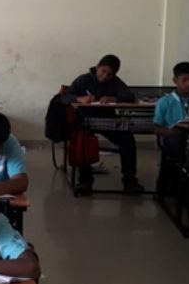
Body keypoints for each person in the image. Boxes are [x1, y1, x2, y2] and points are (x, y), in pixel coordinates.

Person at [61, 54, 142, 195]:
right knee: (82, 140)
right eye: (103, 71)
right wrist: (80, 98)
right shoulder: (84, 79)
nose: (105, 76)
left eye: (109, 74)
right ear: (97, 67)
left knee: (127, 140)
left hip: (108, 122)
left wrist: (114, 98)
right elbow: (64, 97)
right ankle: (85, 181)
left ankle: (130, 181)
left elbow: (130, 96)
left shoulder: (115, 82)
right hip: (85, 122)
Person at [153, 62, 189, 157]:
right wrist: (174, 131)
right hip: (172, 136)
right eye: (184, 80)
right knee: (179, 143)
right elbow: (157, 129)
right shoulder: (164, 102)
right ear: (175, 80)